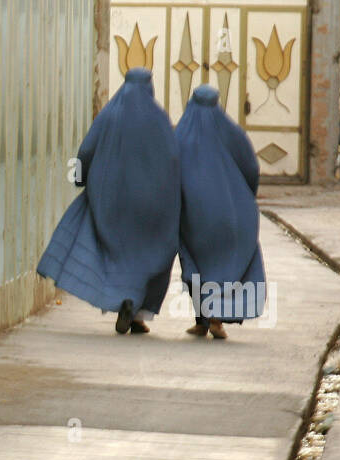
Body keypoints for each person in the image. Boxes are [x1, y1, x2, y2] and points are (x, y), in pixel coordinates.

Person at [37, 68, 179, 335]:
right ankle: (138, 313)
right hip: (151, 205)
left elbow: (87, 149)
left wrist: (79, 179)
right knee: (147, 255)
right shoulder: (159, 119)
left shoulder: (110, 115)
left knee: (115, 252)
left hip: (111, 201)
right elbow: (174, 159)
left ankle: (122, 298)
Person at [174, 85, 265, 340]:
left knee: (198, 266)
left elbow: (169, 173)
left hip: (194, 218)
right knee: (226, 266)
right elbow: (251, 169)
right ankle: (213, 320)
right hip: (233, 214)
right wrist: (244, 199)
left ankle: (206, 319)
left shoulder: (181, 135)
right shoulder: (232, 132)